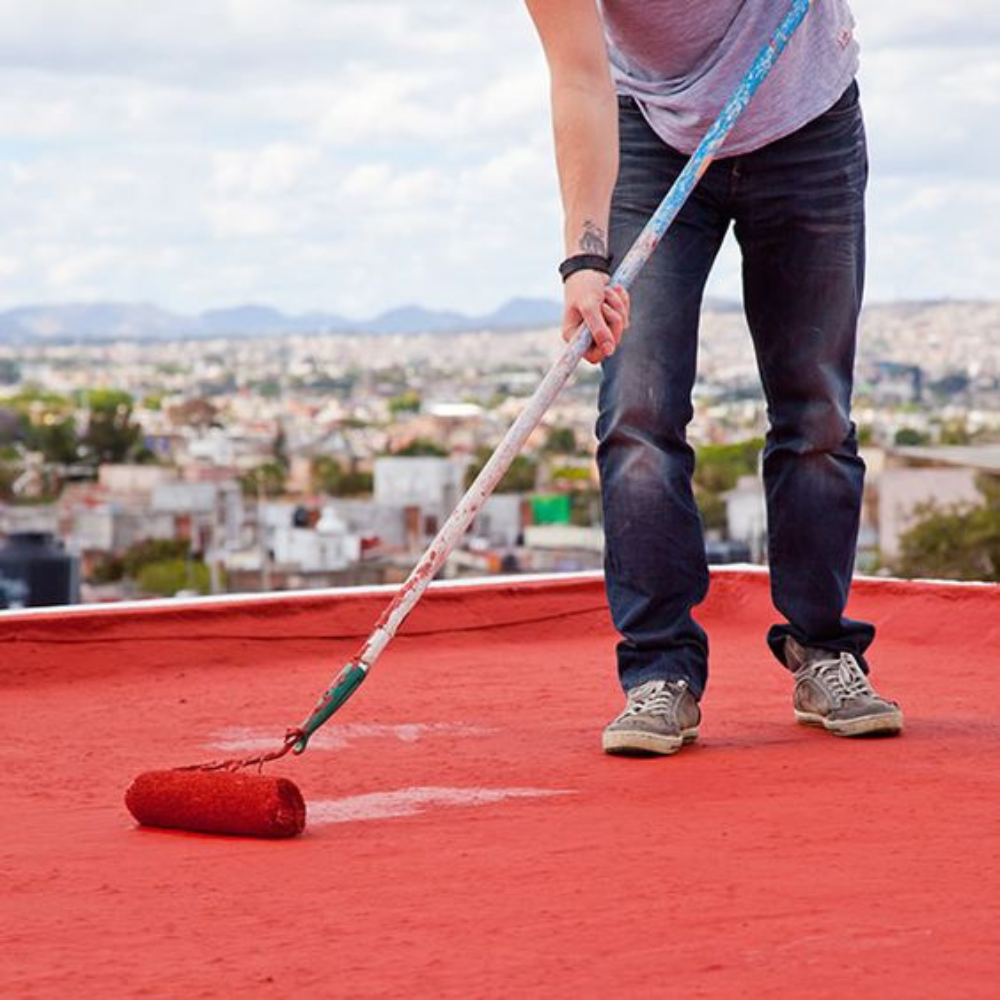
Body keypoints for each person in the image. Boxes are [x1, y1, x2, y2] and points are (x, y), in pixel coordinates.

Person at [524, 0, 903, 755]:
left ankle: (824, 649)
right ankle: (659, 674)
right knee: (638, 411)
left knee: (817, 410)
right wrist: (586, 260)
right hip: (650, 131)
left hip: (807, 120)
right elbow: (578, 81)